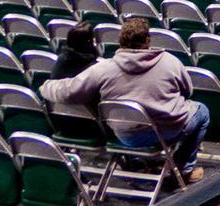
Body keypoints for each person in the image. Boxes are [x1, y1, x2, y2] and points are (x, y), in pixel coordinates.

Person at [41, 17, 210, 179]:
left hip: (126, 136)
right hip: (167, 131)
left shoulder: (103, 69)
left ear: (120, 41)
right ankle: (184, 170)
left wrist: (45, 86)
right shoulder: (170, 61)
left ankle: (137, 164)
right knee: (202, 111)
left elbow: (69, 91)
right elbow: (188, 91)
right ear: (147, 40)